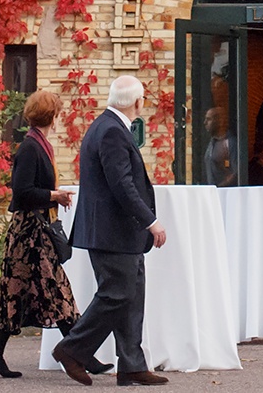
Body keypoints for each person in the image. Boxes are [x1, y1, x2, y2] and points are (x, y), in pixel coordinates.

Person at [53, 75, 169, 387]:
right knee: (116, 294)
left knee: (130, 295)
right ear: (137, 102)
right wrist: (151, 221)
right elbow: (122, 185)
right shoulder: (112, 132)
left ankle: (131, 364)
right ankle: (71, 349)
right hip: (112, 232)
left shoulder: (105, 126)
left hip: (117, 233)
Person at [0, 89, 106, 380]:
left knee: (41, 293)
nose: (59, 118)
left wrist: (53, 196)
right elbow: (22, 192)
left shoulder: (38, 144)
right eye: (57, 113)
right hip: (28, 235)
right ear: (51, 115)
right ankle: (78, 354)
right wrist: (54, 195)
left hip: (34, 234)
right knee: (48, 292)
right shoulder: (30, 147)